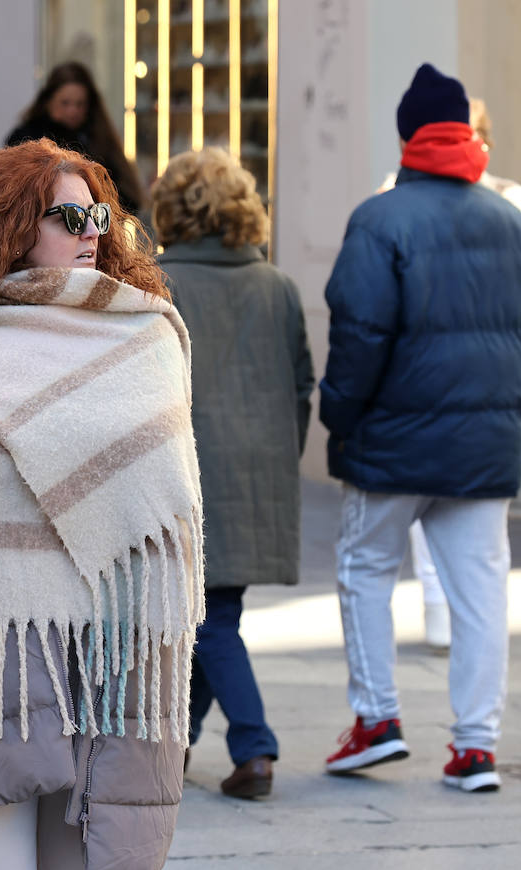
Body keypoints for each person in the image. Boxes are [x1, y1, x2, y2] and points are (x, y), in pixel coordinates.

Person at [0, 138, 204, 868]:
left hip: (107, 645)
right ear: (8, 225)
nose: (93, 230)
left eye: (99, 214)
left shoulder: (141, 331)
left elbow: (164, 486)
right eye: (69, 215)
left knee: (84, 847)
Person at [318, 63, 521, 793]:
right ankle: (476, 748)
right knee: (481, 591)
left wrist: (339, 415)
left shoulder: (379, 218)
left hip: (391, 441)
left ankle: (377, 720)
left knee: (364, 571)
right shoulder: (513, 222)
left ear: (406, 135)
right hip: (485, 447)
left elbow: (359, 335)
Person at [151, 147, 313, 800]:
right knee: (216, 613)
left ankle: (254, 746)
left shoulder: (160, 286)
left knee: (208, 621)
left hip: (188, 467)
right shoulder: (278, 286)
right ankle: (178, 743)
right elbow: (302, 382)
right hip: (260, 468)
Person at [377, 96, 521, 653]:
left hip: (488, 382)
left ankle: (472, 631)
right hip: (427, 382)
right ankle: (439, 614)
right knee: (431, 513)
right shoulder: (395, 197)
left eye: (469, 131)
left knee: (481, 528)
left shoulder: (514, 205)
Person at [6, 61, 146, 214]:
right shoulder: (26, 139)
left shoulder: (98, 139)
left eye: (79, 104)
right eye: (65, 103)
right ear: (48, 102)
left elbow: (128, 197)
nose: (72, 111)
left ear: (88, 107)